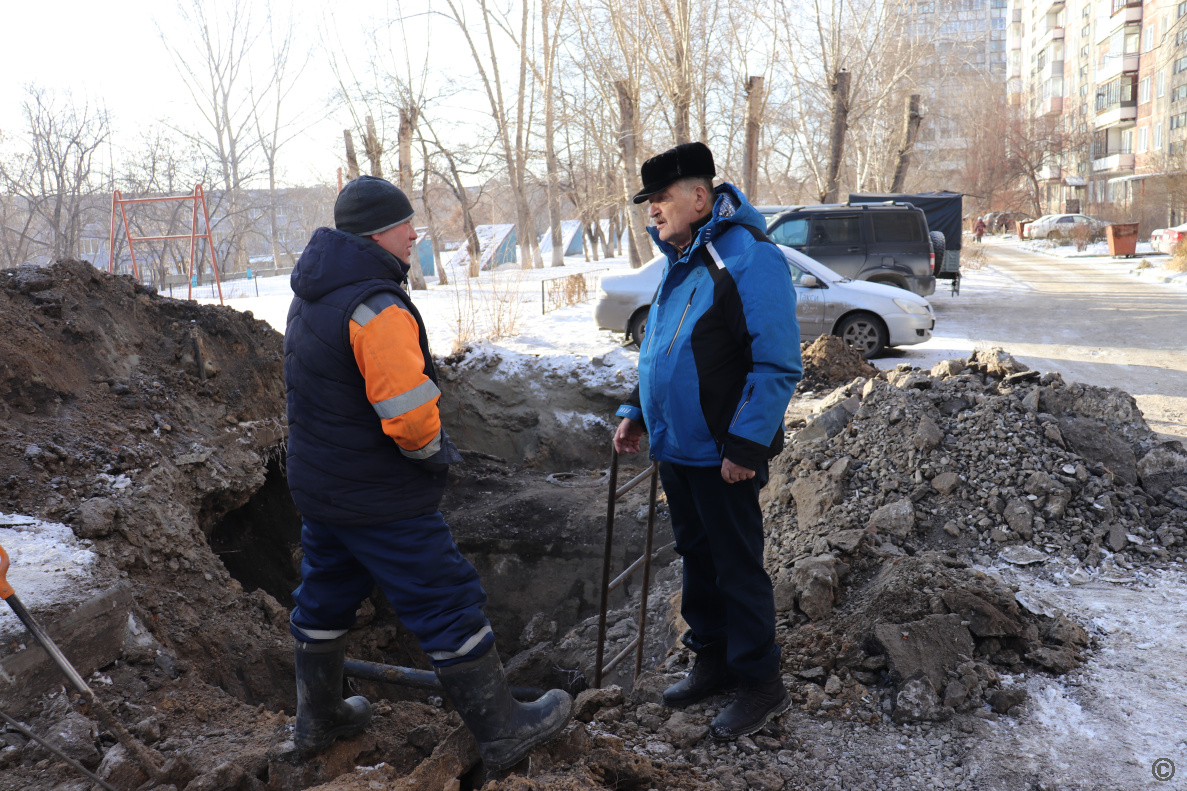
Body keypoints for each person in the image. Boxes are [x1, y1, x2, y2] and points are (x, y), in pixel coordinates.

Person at [283, 175, 572, 768]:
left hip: (322, 489)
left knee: (324, 597)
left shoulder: (314, 292)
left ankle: (318, 719)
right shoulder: (375, 306)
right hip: (379, 495)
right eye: (404, 224)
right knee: (445, 600)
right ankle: (502, 729)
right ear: (377, 233)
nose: (415, 233)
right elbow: (411, 421)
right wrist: (428, 458)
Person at [613, 143, 802, 740]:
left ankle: (761, 685)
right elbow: (660, 353)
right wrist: (636, 410)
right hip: (678, 448)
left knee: (737, 567)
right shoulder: (682, 257)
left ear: (700, 197)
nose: (653, 212)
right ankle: (714, 661)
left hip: (724, 454)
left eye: (662, 199)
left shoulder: (748, 258)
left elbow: (777, 364)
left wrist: (746, 446)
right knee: (698, 559)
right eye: (649, 203)